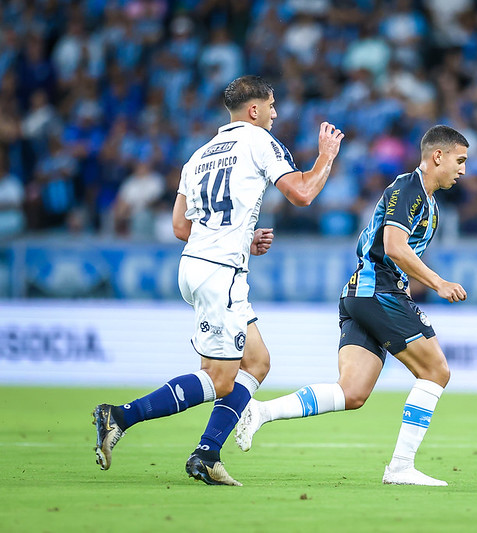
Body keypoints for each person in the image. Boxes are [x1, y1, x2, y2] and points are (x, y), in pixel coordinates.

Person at [92, 75, 344, 486]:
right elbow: (302, 193)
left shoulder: (199, 155)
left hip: (198, 264)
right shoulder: (259, 141)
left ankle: (208, 453)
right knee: (219, 377)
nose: (276, 113)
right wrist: (326, 157)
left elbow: (179, 225)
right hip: (220, 273)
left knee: (257, 362)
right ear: (254, 109)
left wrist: (242, 241)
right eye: (273, 105)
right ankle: (120, 416)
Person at [235, 125, 469, 487]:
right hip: (380, 292)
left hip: (361, 293)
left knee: (352, 392)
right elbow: (393, 246)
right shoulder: (410, 189)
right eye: (460, 160)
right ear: (437, 156)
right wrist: (438, 282)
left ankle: (260, 411)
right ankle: (400, 467)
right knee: (436, 371)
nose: (463, 169)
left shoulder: (426, 199)